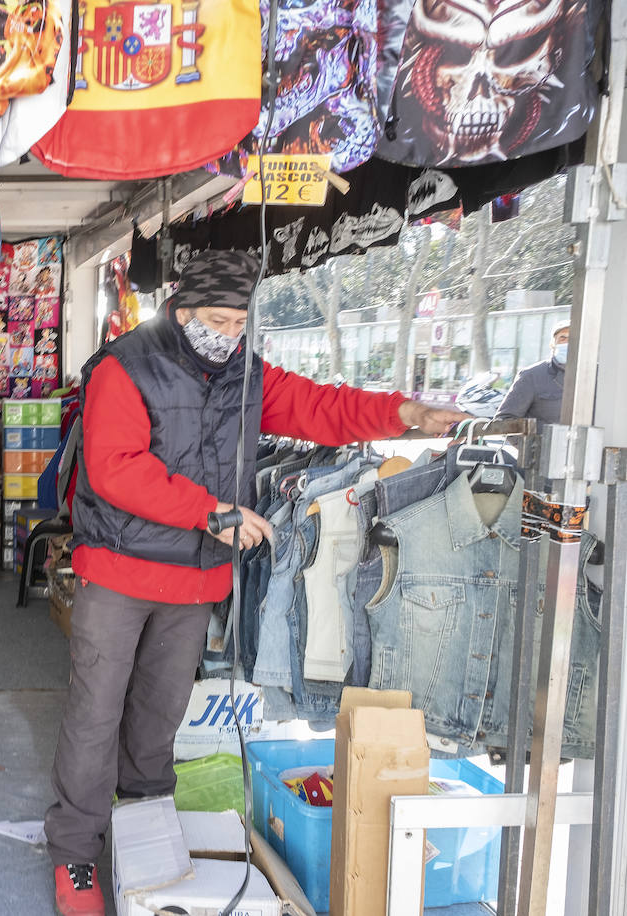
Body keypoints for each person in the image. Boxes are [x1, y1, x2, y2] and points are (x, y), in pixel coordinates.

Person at [46, 251, 468, 916]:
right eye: (217, 320)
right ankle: (73, 850)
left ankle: (145, 821)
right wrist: (212, 513)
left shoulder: (246, 373)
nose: (229, 334)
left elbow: (320, 409)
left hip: (194, 579)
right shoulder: (123, 367)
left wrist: (404, 414)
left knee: (159, 715)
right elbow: (115, 467)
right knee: (96, 713)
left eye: (241, 323)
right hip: (121, 573)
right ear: (180, 310)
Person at [496, 321, 570, 423]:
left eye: (573, 338)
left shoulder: (597, 376)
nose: (568, 343)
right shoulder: (532, 376)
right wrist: (537, 437)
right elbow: (505, 421)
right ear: (553, 345)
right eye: (563, 338)